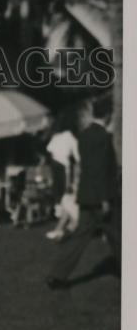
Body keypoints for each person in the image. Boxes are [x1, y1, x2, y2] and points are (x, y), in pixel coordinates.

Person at [47, 95, 120, 288]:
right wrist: (104, 198)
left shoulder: (84, 136)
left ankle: (57, 275)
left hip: (86, 196)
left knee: (79, 238)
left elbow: (87, 167)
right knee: (119, 235)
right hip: (102, 197)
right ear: (108, 116)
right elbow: (101, 169)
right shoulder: (104, 137)